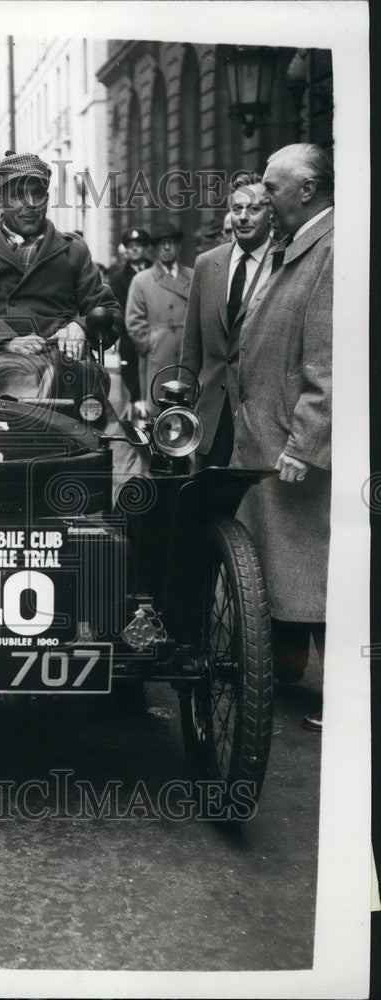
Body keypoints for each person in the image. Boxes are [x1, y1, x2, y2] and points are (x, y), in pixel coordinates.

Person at [231, 143, 334, 731]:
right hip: (269, 438)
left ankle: (346, 700)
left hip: (293, 448)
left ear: (307, 190)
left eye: (272, 187)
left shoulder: (331, 247)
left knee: (316, 576)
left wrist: (304, 442)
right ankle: (296, 680)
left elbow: (330, 361)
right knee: (290, 568)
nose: (264, 198)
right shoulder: (300, 243)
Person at [0, 151, 123, 363]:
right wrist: (5, 340)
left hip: (61, 359)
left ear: (47, 200)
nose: (30, 204)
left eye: (37, 194)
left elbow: (109, 311)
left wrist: (81, 326)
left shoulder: (73, 249)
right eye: (18, 195)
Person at [181, 172, 273, 467]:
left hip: (263, 421)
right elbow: (191, 348)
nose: (243, 217)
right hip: (211, 421)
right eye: (237, 208)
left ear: (270, 213)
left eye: (254, 209)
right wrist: (182, 411)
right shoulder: (207, 264)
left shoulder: (283, 262)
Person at [124, 221, 193, 414]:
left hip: (188, 355)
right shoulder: (142, 280)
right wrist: (153, 343)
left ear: (179, 246)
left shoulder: (193, 276)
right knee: (158, 411)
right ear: (154, 248)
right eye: (162, 243)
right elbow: (134, 323)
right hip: (158, 357)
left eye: (172, 242)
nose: (167, 247)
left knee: (187, 411)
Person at [107, 229, 151, 411]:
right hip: (130, 342)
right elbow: (118, 309)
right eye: (130, 246)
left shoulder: (155, 272)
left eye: (138, 245)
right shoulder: (118, 278)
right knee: (132, 390)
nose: (134, 249)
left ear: (145, 248)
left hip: (155, 338)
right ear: (125, 249)